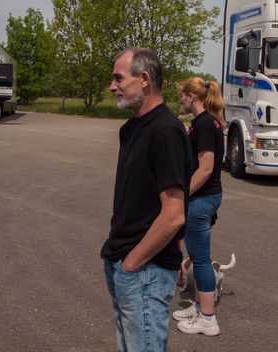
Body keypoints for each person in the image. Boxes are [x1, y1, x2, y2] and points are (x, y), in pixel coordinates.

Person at [102, 48, 192, 352]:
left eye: (118, 78)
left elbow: (174, 215)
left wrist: (131, 265)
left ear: (144, 79)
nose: (113, 86)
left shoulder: (166, 131)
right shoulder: (129, 130)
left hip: (145, 271)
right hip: (122, 263)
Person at [173, 77, 225, 336]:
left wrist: (183, 196)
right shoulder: (207, 122)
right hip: (206, 197)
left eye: (181, 96)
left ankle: (208, 319)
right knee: (197, 257)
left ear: (192, 96)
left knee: (201, 260)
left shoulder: (204, 124)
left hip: (201, 198)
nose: (180, 100)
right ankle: (199, 307)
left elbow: (204, 169)